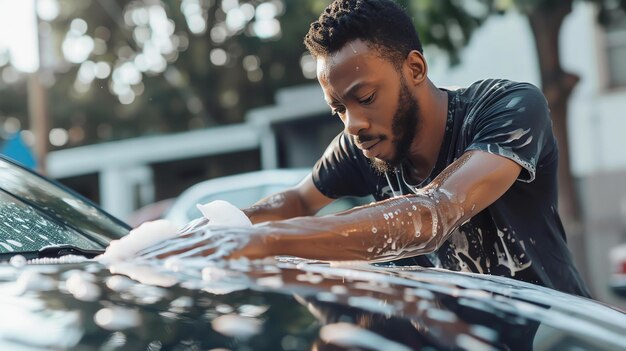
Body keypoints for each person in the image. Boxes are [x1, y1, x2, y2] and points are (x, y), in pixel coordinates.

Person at [152, 0, 591, 297]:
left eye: (364, 98)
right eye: (338, 109)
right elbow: (298, 199)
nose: (353, 124)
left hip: (554, 332)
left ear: (415, 68)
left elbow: (434, 212)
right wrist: (222, 225)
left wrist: (258, 241)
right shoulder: (362, 143)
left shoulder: (508, 107)